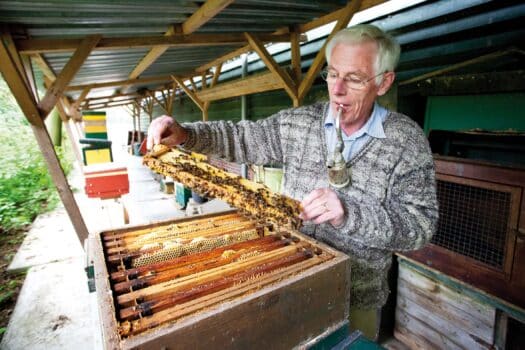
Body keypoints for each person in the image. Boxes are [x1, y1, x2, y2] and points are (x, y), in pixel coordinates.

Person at [147, 24, 438, 340]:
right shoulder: (299, 122)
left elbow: (419, 228)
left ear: (383, 82)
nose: (337, 89)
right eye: (333, 74)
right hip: (287, 277)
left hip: (353, 299)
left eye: (354, 78)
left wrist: (349, 213)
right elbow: (243, 138)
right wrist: (187, 134)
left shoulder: (407, 142)